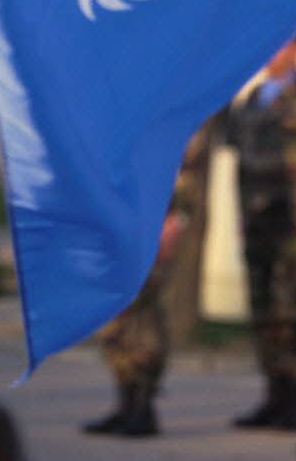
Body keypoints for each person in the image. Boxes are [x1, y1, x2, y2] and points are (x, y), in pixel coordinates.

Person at [82, 126, 209, 438]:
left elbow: (186, 165)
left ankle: (143, 406)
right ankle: (125, 400)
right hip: (114, 218)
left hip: (151, 221)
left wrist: (176, 220)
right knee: (117, 317)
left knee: (144, 315)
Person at [229, 30, 296, 431]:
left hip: (292, 226)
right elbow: (240, 162)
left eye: (282, 42)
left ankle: (295, 402)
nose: (272, 51)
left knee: (293, 314)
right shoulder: (251, 100)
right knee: (264, 313)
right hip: (257, 224)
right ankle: (273, 395)